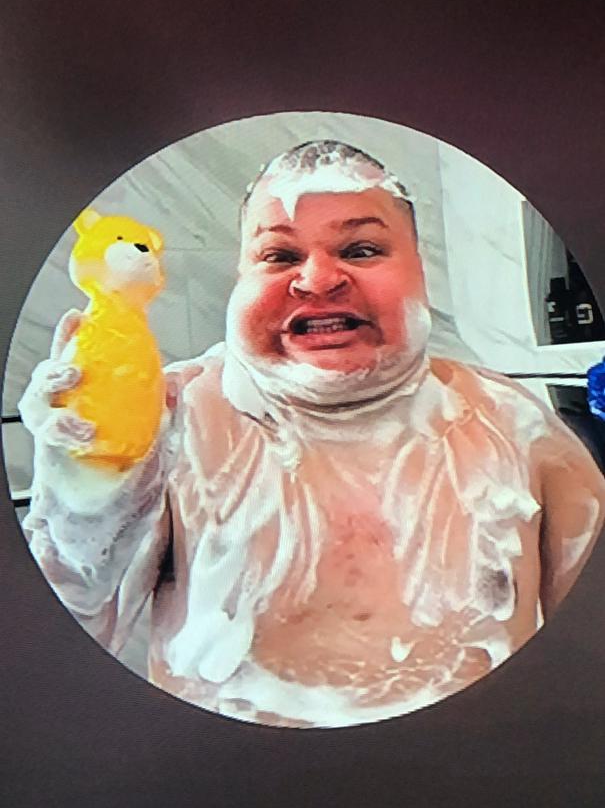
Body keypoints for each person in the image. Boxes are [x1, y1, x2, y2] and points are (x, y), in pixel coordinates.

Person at [19, 141, 605, 728]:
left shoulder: (516, 426)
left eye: (361, 249)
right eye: (279, 255)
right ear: (240, 277)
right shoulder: (174, 417)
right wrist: (81, 494)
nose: (319, 279)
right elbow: (56, 650)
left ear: (420, 271)